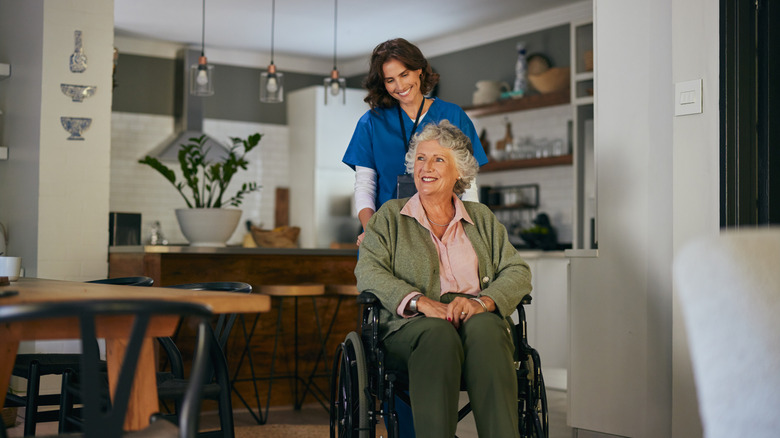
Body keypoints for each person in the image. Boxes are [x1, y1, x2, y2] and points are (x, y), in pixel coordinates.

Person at [356, 120, 531, 437]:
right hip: (410, 327)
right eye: (421, 158)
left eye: (438, 159)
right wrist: (421, 303)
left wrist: (483, 302)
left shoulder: (481, 218)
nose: (426, 167)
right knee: (437, 335)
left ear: (459, 172)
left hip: (475, 316)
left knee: (489, 329)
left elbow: (517, 271)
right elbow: (368, 271)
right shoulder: (389, 217)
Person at [342, 38, 489, 246]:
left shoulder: (453, 115)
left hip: (445, 234)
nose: (400, 86)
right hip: (389, 234)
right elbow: (365, 185)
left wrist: (469, 230)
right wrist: (372, 232)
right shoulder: (371, 123)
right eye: (390, 80)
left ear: (419, 70)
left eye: (404, 74)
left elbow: (468, 182)